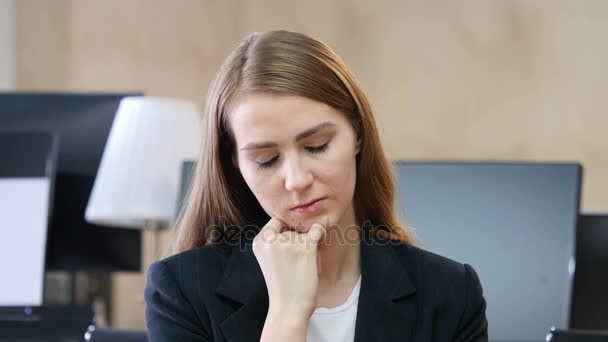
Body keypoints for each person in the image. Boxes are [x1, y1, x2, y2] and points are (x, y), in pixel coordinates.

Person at [144, 30, 488, 342]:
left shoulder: (451, 294)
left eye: (317, 146)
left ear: (358, 134)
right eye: (266, 159)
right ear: (235, 163)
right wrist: (287, 315)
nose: (296, 180)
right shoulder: (182, 292)